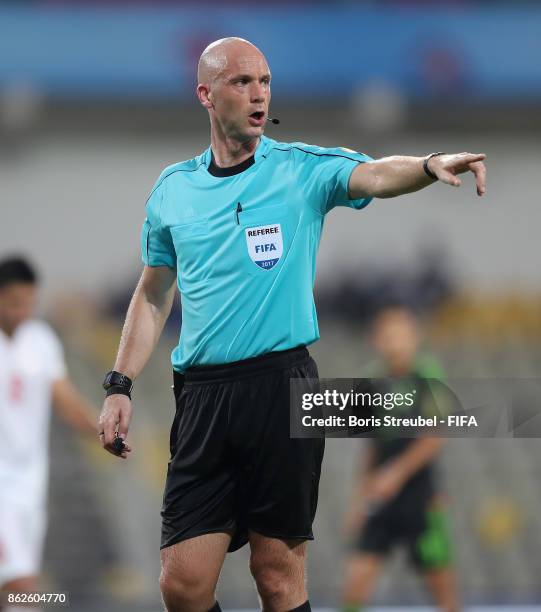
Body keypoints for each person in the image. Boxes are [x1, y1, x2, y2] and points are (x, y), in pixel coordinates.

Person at [97, 37, 486, 612]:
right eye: (241, 82)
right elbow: (154, 293)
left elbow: (376, 174)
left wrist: (428, 165)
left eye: (265, 81)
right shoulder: (173, 191)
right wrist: (119, 383)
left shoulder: (300, 170)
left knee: (277, 574)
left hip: (282, 387)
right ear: (206, 94)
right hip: (203, 398)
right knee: (182, 583)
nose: (259, 94)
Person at [341, 305, 459, 611]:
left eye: (401, 334)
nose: (394, 342)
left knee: (442, 590)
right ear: (376, 340)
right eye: (388, 335)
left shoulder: (427, 375)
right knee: (356, 584)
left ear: (414, 338)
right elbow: (370, 448)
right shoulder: (372, 381)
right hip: (380, 497)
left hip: (419, 496)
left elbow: (434, 436)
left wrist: (395, 473)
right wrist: (359, 499)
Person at [0, 256, 98, 608]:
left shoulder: (40, 340)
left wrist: (100, 429)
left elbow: (64, 397)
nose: (23, 310)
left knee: (17, 583)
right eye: (14, 303)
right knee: (21, 583)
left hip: (30, 483)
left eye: (28, 302)